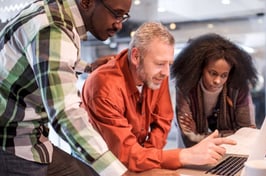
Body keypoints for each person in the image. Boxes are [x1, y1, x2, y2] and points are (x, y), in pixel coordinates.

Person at [0, 0, 178, 175]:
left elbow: (46, 59)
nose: (119, 25)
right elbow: (66, 115)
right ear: (86, 2)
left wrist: (86, 67)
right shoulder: (54, 29)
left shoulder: (53, 12)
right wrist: (121, 174)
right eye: (116, 14)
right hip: (13, 142)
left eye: (123, 17)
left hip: (33, 138)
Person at [81, 22, 236, 172]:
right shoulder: (104, 87)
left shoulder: (156, 74)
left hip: (134, 162)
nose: (166, 73)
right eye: (160, 63)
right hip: (102, 169)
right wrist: (184, 155)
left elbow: (163, 119)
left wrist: (146, 158)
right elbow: (125, 154)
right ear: (136, 57)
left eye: (169, 64)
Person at [171, 33, 258, 147]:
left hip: (231, 152)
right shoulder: (186, 87)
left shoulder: (238, 87)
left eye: (224, 75)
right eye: (212, 73)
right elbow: (190, 139)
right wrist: (234, 133)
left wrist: (202, 135)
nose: (217, 81)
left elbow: (248, 133)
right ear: (200, 69)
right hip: (194, 154)